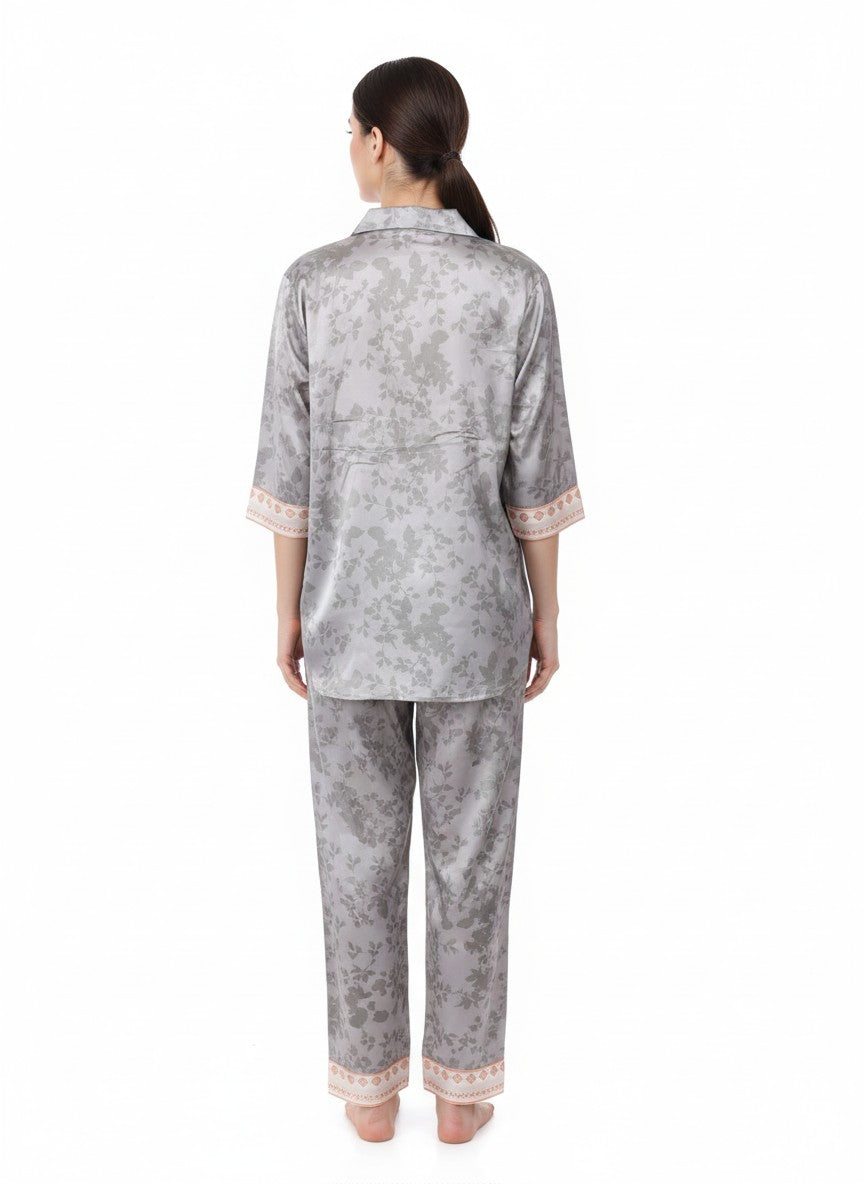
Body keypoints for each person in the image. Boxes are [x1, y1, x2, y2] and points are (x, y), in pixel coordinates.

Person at [245, 57, 585, 1144]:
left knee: (356, 858)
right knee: (471, 860)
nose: (348, 149)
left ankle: (368, 1088)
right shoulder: (515, 285)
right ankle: (464, 1088)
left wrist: (288, 612)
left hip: (348, 619)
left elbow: (288, 477)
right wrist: (547, 615)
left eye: (350, 132)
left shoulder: (313, 284)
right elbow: (538, 480)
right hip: (475, 626)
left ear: (380, 143)